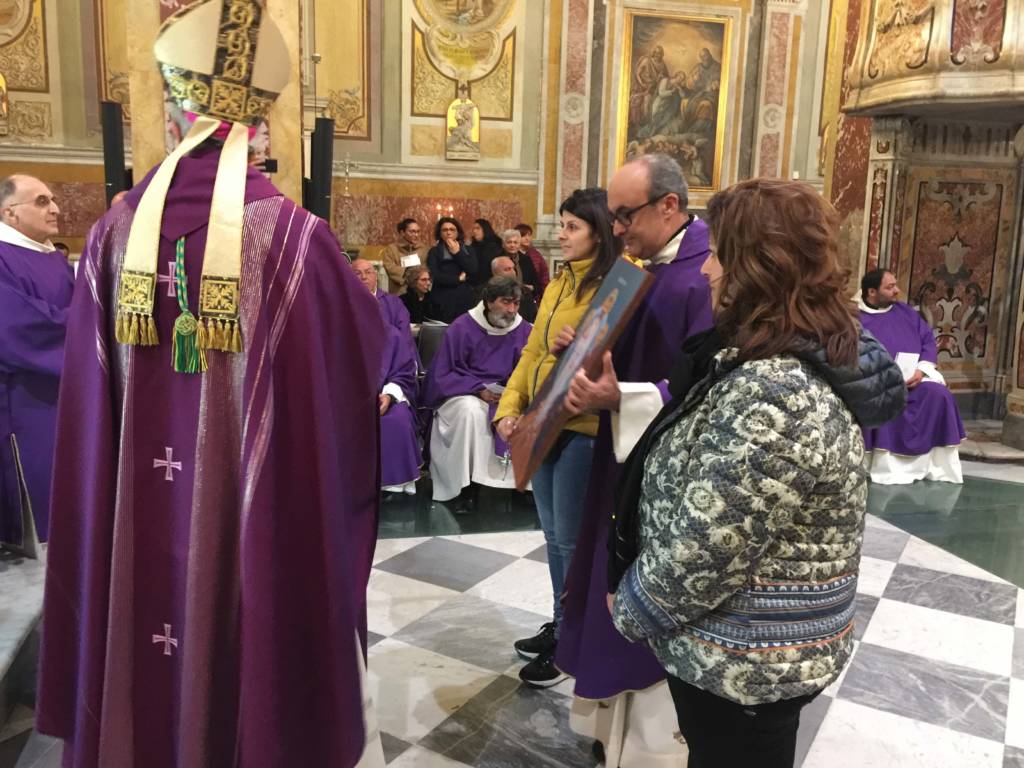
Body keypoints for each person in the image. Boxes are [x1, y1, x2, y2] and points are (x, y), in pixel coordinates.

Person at [35, 4, 385, 766]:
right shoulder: (293, 239)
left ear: (176, 116)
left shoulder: (110, 233)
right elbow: (359, 356)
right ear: (254, 126)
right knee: (246, 611)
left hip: (134, 512)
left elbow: (88, 409)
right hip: (241, 511)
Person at [609, 178, 906, 768]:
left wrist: (630, 607)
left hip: (747, 660)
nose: (706, 270)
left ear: (758, 268)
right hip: (747, 653)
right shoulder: (770, 362)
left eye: (719, 254)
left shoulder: (777, 391)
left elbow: (707, 549)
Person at [554, 155, 714, 766]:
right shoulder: (644, 269)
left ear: (669, 206)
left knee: (641, 590)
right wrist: (585, 348)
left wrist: (621, 396)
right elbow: (627, 357)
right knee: (603, 577)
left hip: (664, 472)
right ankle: (610, 729)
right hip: (620, 455)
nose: (616, 228)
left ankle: (650, 748)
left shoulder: (705, 277)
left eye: (625, 215)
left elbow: (708, 388)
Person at [494, 188, 621, 687]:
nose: (561, 235)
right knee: (553, 538)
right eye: (562, 224)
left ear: (599, 232)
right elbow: (532, 352)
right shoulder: (558, 283)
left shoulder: (614, 286)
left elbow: (611, 360)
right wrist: (509, 408)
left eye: (572, 226)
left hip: (581, 427)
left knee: (572, 542)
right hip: (542, 419)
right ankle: (561, 622)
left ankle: (574, 641)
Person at [0, 174, 73, 549]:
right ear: (9, 213)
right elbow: (16, 325)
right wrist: (86, 324)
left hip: (64, 387)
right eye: (42, 201)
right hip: (25, 395)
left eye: (53, 199)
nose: (55, 208)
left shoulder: (53, 258)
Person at [422, 277, 531, 510]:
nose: (512, 310)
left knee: (530, 412)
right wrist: (478, 389)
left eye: (516, 303)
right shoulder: (462, 327)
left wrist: (513, 393)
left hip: (508, 394)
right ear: (489, 301)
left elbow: (531, 370)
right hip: (466, 392)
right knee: (470, 412)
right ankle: (465, 487)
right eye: (506, 302)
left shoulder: (524, 330)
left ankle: (522, 485)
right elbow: (443, 373)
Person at [859, 268, 966, 483]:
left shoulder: (905, 312)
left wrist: (921, 370)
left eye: (895, 285)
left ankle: (937, 467)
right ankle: (883, 467)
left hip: (913, 378)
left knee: (939, 395)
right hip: (876, 382)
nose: (897, 290)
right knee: (881, 401)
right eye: (890, 287)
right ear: (872, 292)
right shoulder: (854, 318)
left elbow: (927, 339)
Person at [378, 324, 422, 496]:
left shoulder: (389, 334)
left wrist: (389, 395)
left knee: (396, 420)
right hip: (337, 402)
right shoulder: (327, 332)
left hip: (383, 396)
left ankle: (388, 487)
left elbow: (404, 372)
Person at [427, 216, 476, 322]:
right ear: (440, 233)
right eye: (445, 230)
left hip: (464, 298)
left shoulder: (468, 249)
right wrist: (458, 279)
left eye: (452, 229)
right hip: (442, 298)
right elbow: (435, 275)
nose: (448, 232)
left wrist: (457, 253)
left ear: (458, 232)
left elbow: (473, 270)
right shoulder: (434, 251)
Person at [352, 257, 412, 339]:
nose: (364, 277)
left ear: (376, 276)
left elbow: (405, 337)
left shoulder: (394, 303)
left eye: (368, 272)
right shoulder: (345, 304)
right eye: (358, 273)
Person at [380, 217, 426, 295]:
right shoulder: (392, 249)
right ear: (402, 232)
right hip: (399, 292)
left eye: (418, 232)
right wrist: (407, 272)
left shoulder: (424, 250)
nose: (416, 235)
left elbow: (427, 268)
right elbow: (390, 267)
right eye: (412, 232)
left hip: (418, 292)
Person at [492, 255, 538, 323]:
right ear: (495, 273)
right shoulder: (485, 292)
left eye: (513, 268)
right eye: (507, 269)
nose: (513, 272)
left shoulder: (525, 292)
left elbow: (533, 318)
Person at [515, 223, 550, 299]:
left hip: (534, 295)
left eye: (529, 235)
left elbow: (544, 276)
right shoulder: (513, 255)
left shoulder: (536, 254)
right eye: (523, 236)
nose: (527, 238)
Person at [468, 217, 503, 287]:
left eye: (477, 228)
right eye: (473, 229)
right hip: (475, 284)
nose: (474, 231)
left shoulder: (495, 246)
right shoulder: (472, 246)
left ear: (485, 229)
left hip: (491, 284)